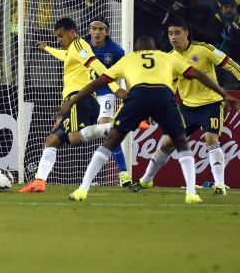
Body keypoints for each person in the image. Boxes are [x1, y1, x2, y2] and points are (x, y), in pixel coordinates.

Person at [63, 35, 239, 204]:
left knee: (111, 141)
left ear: (136, 50)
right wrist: (224, 94)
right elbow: (199, 74)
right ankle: (191, 193)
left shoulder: (129, 59)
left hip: (137, 96)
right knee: (181, 142)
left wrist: (72, 101)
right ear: (154, 49)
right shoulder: (166, 57)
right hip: (163, 96)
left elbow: (98, 81)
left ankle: (82, 189)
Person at [131, 18, 240, 196]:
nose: (173, 37)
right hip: (187, 107)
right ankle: (145, 180)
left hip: (211, 103)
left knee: (211, 139)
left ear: (186, 33)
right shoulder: (169, 58)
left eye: (177, 33)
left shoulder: (204, 50)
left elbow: (231, 64)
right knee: (167, 144)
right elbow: (169, 85)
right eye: (170, 33)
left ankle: (220, 185)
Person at [19, 18, 126, 193]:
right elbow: (64, 56)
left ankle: (113, 126)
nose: (58, 40)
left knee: (74, 139)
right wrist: (46, 48)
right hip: (80, 101)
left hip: (79, 99)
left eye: (61, 36)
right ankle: (39, 181)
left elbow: (98, 66)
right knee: (52, 140)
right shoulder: (72, 50)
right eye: (57, 37)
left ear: (72, 33)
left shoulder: (79, 45)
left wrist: (115, 89)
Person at [82, 17, 131, 187]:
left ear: (107, 32)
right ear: (89, 31)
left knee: (108, 131)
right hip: (84, 93)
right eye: (94, 29)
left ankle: (124, 173)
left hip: (106, 94)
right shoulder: (82, 45)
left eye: (101, 29)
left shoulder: (116, 51)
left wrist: (131, 91)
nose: (97, 32)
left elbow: (126, 72)